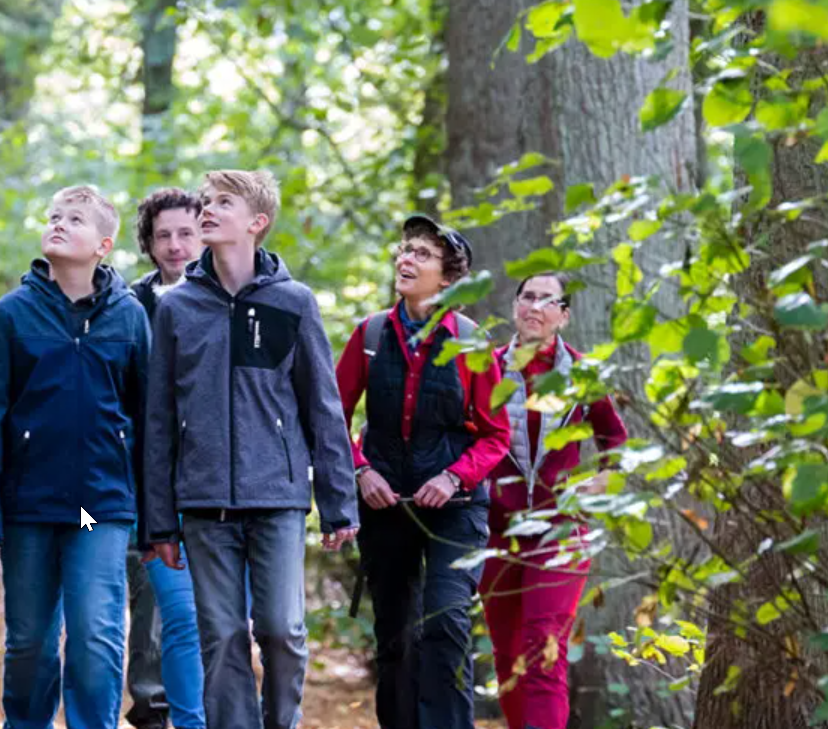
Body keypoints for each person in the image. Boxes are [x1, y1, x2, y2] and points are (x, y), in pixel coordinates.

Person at [142, 169, 359, 729]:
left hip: (278, 500)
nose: (207, 211)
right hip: (203, 503)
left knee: (282, 630)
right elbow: (159, 421)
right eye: (206, 202)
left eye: (223, 203)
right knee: (221, 636)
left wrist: (338, 504)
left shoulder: (294, 302)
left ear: (257, 222)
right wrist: (159, 522)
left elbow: (324, 409)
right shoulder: (177, 308)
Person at [0, 186, 150, 729]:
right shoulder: (13, 314)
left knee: (95, 633)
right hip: (30, 504)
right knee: (30, 643)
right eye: (54, 217)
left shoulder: (129, 317)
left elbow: (150, 421)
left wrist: (154, 513)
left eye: (75, 219)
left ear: (104, 245)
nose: (59, 224)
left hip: (98, 508)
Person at [333, 215, 510, 729]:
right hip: (385, 507)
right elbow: (330, 420)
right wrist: (361, 471)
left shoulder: (472, 343)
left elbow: (496, 434)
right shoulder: (369, 335)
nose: (406, 259)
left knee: (447, 623)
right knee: (396, 636)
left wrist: (454, 477)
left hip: (456, 508)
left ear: (449, 279)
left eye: (422, 254)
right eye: (405, 250)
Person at [482, 273, 627, 729]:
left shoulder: (582, 374)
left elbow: (617, 442)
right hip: (496, 532)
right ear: (515, 307)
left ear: (563, 316)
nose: (535, 307)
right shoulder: (485, 369)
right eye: (527, 297)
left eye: (548, 300)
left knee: (544, 651)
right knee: (508, 658)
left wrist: (602, 482)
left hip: (560, 534)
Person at [125, 189, 206, 729]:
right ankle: (152, 709)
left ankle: (203, 709)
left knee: (201, 611)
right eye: (163, 236)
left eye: (186, 234)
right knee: (150, 599)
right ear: (149, 244)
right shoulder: (131, 304)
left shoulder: (226, 300)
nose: (176, 246)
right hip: (136, 480)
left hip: (208, 477)